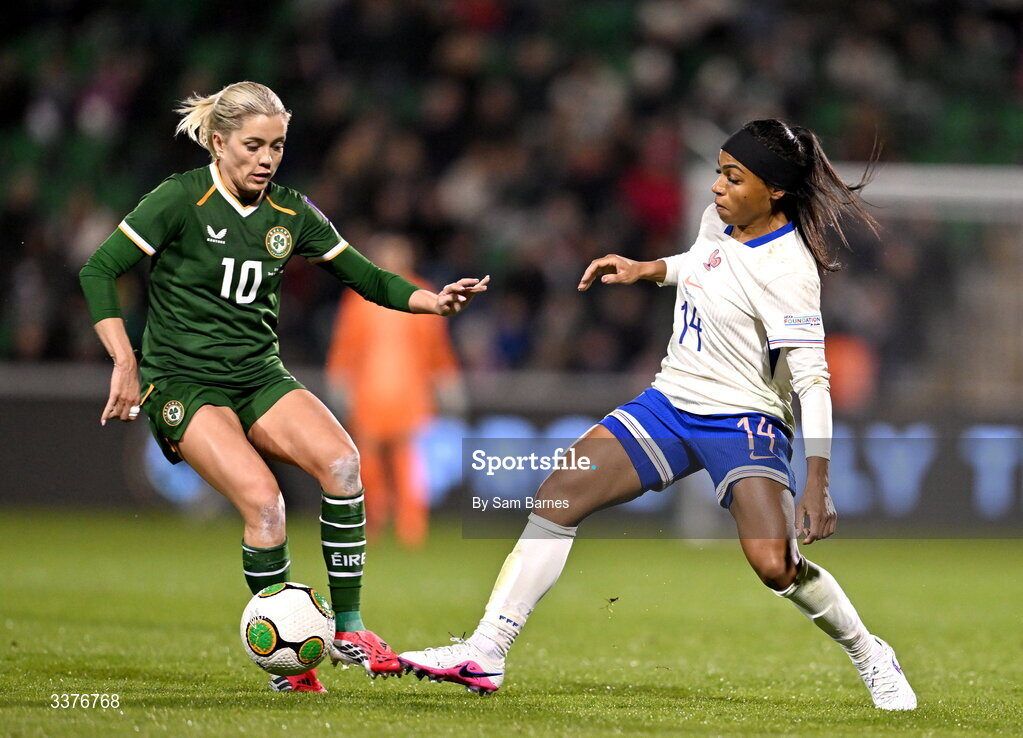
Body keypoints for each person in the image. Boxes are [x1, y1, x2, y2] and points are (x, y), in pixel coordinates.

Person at [399, 119, 917, 710]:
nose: (718, 187)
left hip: (744, 419)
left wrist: (818, 481)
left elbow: (813, 380)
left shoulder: (790, 271)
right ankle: (487, 650)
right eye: (719, 172)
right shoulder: (719, 220)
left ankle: (870, 652)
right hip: (670, 402)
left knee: (774, 565)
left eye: (733, 176)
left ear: (774, 191)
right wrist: (650, 269)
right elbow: (703, 266)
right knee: (559, 493)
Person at [78, 81, 488, 693]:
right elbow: (99, 268)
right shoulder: (179, 199)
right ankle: (289, 663)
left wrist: (431, 301)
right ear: (218, 144)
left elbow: (367, 277)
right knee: (265, 504)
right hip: (182, 383)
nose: (266, 158)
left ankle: (348, 628)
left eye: (277, 146)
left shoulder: (290, 212)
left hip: (257, 374)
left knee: (344, 465)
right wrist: (123, 360)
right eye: (252, 146)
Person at [325, 233, 466, 548]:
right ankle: (372, 520)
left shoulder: (420, 293)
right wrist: (339, 380)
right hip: (368, 393)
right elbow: (345, 346)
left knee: (406, 462)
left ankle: (410, 525)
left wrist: (447, 381)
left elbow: (437, 348)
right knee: (369, 463)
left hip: (408, 393)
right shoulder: (360, 296)